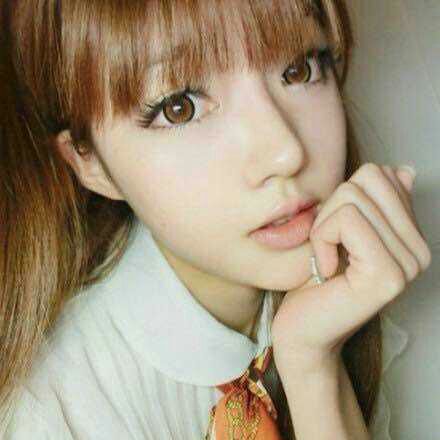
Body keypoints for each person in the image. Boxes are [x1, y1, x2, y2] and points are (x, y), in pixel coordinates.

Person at [0, 0, 431, 439]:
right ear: (89, 162)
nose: (286, 152)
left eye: (299, 69)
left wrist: (315, 367)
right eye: (180, 108)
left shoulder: (356, 283)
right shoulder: (56, 413)